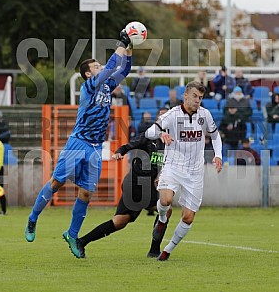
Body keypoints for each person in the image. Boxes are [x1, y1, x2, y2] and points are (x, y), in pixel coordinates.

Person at [24, 29, 133, 259]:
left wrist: (130, 46)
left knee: (86, 194)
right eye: (95, 66)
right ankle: (33, 218)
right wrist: (120, 43)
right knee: (56, 182)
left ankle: (72, 235)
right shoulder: (89, 86)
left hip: (95, 147)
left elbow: (124, 68)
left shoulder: (107, 86)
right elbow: (114, 63)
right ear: (87, 74)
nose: (100, 66)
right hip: (78, 142)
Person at [77, 108, 171, 259]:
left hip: (146, 185)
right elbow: (128, 146)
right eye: (162, 119)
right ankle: (154, 250)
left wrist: (161, 175)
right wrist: (120, 152)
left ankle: (82, 241)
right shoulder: (149, 137)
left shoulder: (173, 143)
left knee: (120, 221)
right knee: (166, 209)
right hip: (136, 182)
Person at [145, 81, 222, 261]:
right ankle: (162, 218)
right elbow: (149, 132)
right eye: (195, 96)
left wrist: (218, 155)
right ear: (185, 96)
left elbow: (216, 136)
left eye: (201, 98)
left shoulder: (205, 115)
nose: (198, 100)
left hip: (195, 172)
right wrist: (161, 133)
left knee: (188, 217)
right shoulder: (172, 115)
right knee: (165, 200)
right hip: (173, 166)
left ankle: (167, 250)